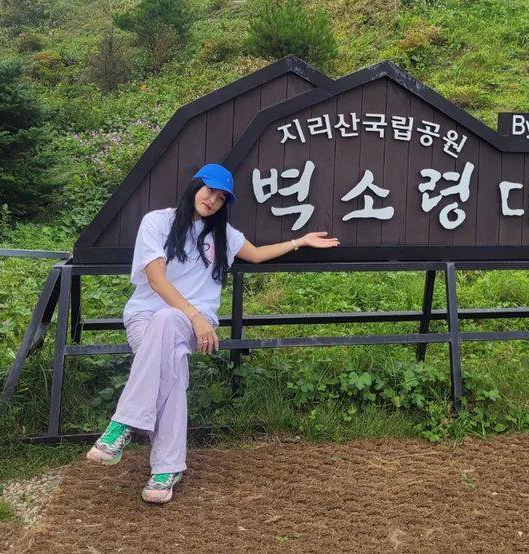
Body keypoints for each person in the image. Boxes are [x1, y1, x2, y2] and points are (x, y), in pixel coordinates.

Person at [85, 162, 339, 503]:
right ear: (195, 186)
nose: (213, 201)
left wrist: (300, 241)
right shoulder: (157, 222)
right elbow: (156, 280)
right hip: (148, 316)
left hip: (191, 322)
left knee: (169, 325)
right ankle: (166, 468)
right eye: (210, 192)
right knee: (172, 367)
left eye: (221, 199)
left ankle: (124, 425)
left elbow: (257, 254)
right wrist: (193, 315)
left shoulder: (224, 235)